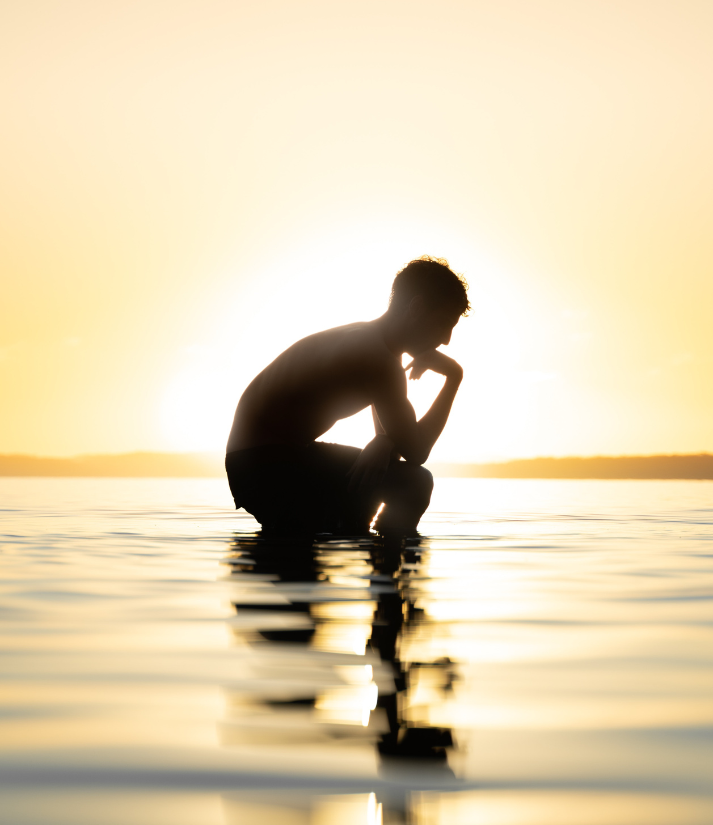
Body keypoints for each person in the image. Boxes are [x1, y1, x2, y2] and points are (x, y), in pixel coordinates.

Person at [225, 256, 469, 537]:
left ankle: (362, 539)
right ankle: (387, 557)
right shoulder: (377, 358)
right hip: (267, 466)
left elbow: (395, 437)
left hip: (263, 461)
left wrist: (383, 440)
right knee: (415, 483)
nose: (448, 340)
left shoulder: (373, 343)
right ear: (416, 308)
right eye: (443, 324)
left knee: (375, 485)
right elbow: (416, 451)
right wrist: (454, 377)